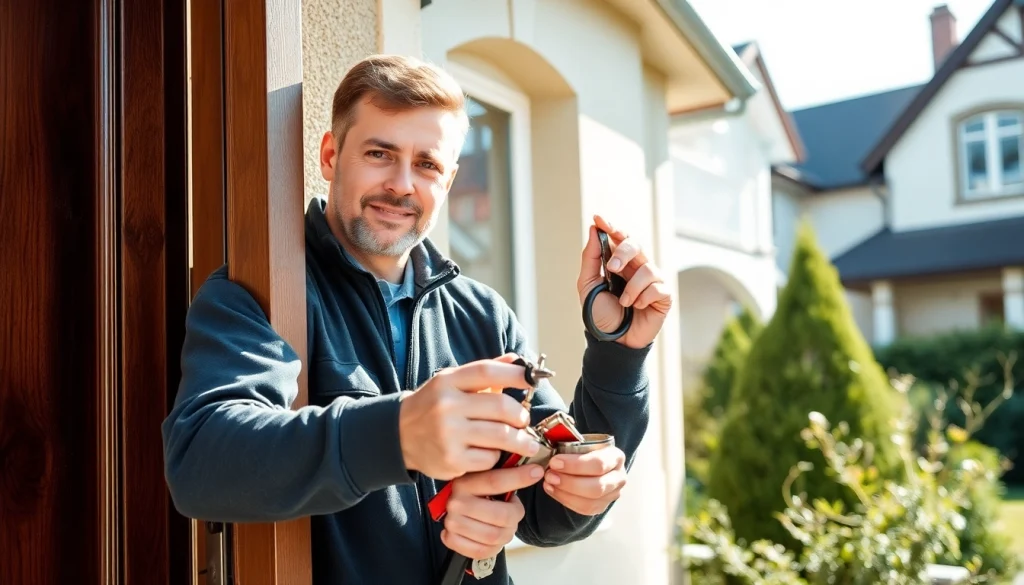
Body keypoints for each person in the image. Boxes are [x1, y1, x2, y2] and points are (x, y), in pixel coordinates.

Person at [162, 54, 672, 584]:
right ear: (332, 155)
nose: (403, 184)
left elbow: (547, 517)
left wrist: (618, 356)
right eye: (380, 154)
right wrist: (398, 434)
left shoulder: (484, 315)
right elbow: (200, 462)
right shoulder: (256, 291)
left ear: (448, 180)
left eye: (427, 164)